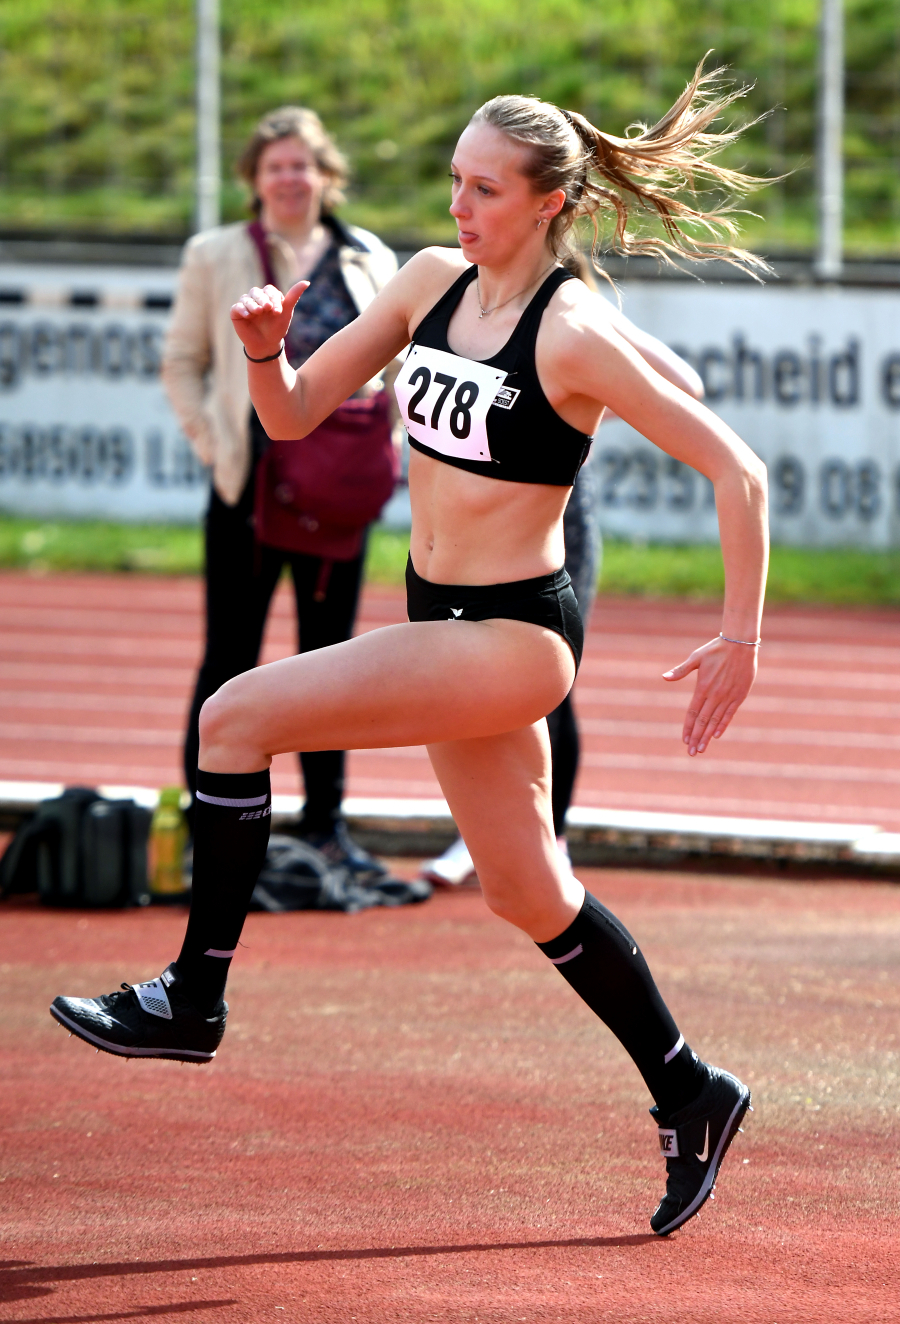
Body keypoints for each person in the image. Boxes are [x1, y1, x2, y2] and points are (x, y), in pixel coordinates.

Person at [52, 64, 769, 1237]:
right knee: (528, 890)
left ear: (546, 203)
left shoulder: (575, 330)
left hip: (514, 636)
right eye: (453, 182)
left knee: (231, 716)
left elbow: (737, 470)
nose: (457, 208)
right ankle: (693, 1090)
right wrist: (267, 351)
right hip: (436, 612)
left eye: (484, 190)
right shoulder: (432, 284)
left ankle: (194, 995)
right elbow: (287, 419)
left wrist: (740, 637)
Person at [161, 105, 399, 876]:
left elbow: (397, 372)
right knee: (227, 656)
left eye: (302, 165)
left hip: (338, 497)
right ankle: (208, 823)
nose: (289, 179)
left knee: (329, 663)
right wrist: (219, 447)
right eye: (275, 167)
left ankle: (326, 824)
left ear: (325, 175)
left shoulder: (370, 257)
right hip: (248, 492)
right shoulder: (216, 254)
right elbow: (182, 364)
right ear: (253, 180)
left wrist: (382, 452)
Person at [420, 290, 704, 885]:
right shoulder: (463, 294)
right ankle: (484, 834)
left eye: (488, 190)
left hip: (554, 527)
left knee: (547, 685)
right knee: (463, 687)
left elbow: (684, 384)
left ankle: (554, 838)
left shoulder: (575, 308)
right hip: (464, 532)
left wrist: (595, 396)